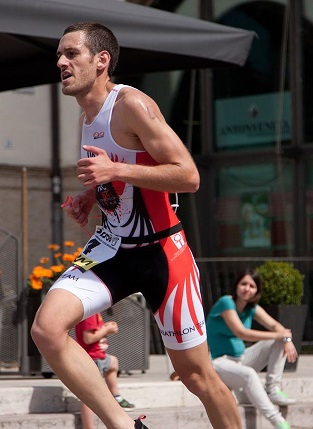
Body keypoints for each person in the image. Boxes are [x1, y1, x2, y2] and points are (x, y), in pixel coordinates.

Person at [31, 21, 242, 429]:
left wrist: (115, 171)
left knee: (198, 376)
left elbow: (188, 175)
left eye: (71, 53)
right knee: (47, 329)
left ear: (101, 60)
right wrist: (90, 197)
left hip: (163, 251)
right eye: (59, 54)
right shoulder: (86, 116)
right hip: (112, 246)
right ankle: (126, 426)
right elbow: (119, 173)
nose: (60, 62)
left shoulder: (132, 105)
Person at [206, 268, 297, 429]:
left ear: (256, 291)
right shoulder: (226, 302)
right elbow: (241, 332)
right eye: (243, 284)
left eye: (252, 286)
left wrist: (285, 338)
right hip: (218, 363)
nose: (247, 288)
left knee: (277, 341)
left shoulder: (251, 308)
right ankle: (279, 422)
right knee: (250, 373)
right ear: (236, 286)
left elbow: (275, 325)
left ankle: (273, 388)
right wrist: (280, 335)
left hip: (241, 360)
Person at [75, 313, 135, 429]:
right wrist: (107, 330)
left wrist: (104, 326)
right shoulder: (90, 314)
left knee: (113, 363)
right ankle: (89, 427)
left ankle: (116, 396)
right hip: (91, 359)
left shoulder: (95, 313)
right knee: (90, 396)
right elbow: (88, 338)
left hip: (100, 356)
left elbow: (94, 331)